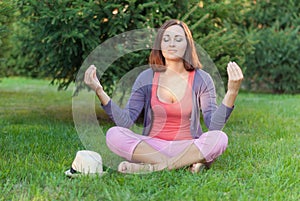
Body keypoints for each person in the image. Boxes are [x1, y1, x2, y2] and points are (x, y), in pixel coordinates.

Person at [84, 19, 243, 174]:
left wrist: (232, 92)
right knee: (114, 134)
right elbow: (125, 121)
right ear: (160, 45)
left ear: (187, 45)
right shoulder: (146, 77)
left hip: (188, 146)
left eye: (178, 39)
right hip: (152, 147)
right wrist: (99, 91)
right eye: (166, 39)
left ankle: (153, 167)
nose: (171, 43)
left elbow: (213, 125)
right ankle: (185, 164)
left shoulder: (202, 78)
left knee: (219, 138)